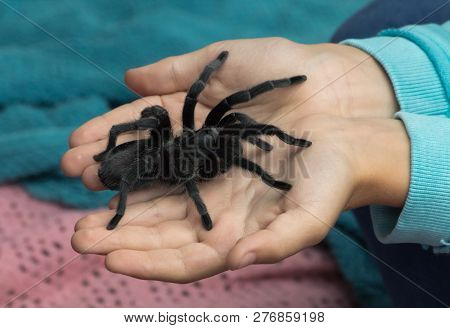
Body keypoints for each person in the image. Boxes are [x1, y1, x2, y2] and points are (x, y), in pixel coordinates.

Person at [61, 11, 449, 306]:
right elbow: (189, 167)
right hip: (148, 163)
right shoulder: (194, 155)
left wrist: (284, 139)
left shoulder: (214, 145)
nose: (215, 132)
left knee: (229, 109)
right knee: (381, 17)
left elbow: (229, 120)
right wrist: (350, 79)